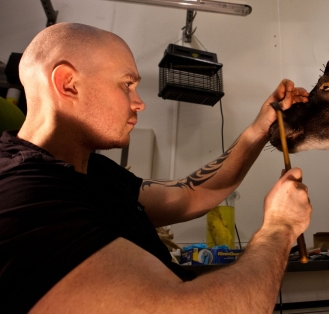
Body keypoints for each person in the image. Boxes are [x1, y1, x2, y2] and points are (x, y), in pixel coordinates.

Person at [0, 23, 312, 313]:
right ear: (68, 83)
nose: (139, 103)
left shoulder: (91, 170)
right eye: (126, 84)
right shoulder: (22, 197)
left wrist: (259, 129)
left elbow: (191, 193)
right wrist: (280, 228)